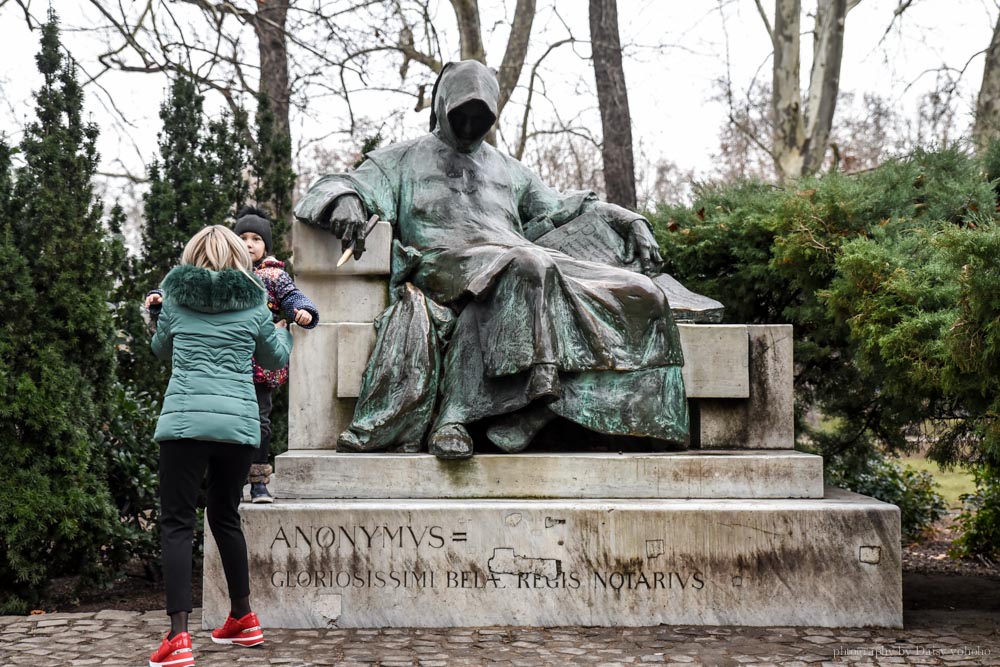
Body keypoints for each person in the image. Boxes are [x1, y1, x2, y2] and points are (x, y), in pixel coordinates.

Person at [294, 60, 687, 459]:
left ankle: (544, 411)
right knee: (528, 265)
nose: (468, 126)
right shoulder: (399, 160)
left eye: (478, 118)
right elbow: (337, 184)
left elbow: (566, 205)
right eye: (460, 115)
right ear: (441, 106)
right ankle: (519, 394)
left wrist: (630, 219)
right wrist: (343, 201)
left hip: (518, 259)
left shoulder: (509, 169)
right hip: (442, 263)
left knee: (645, 293)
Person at [145, 225, 292, 667]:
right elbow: (275, 359)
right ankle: (243, 618)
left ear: (192, 256)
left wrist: (156, 318)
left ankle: (178, 638)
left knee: (175, 523)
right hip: (238, 428)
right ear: (238, 257)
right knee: (226, 516)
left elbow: (160, 349)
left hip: (185, 425)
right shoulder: (254, 306)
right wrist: (283, 330)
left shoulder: (176, 302)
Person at [233, 206, 320, 503]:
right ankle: (231, 479)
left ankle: (258, 482)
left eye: (255, 238)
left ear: (265, 245)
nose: (248, 244)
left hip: (260, 365)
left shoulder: (274, 276)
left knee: (260, 421)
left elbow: (293, 296)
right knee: (230, 422)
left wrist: (302, 311)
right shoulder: (223, 274)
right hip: (228, 363)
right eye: (242, 237)